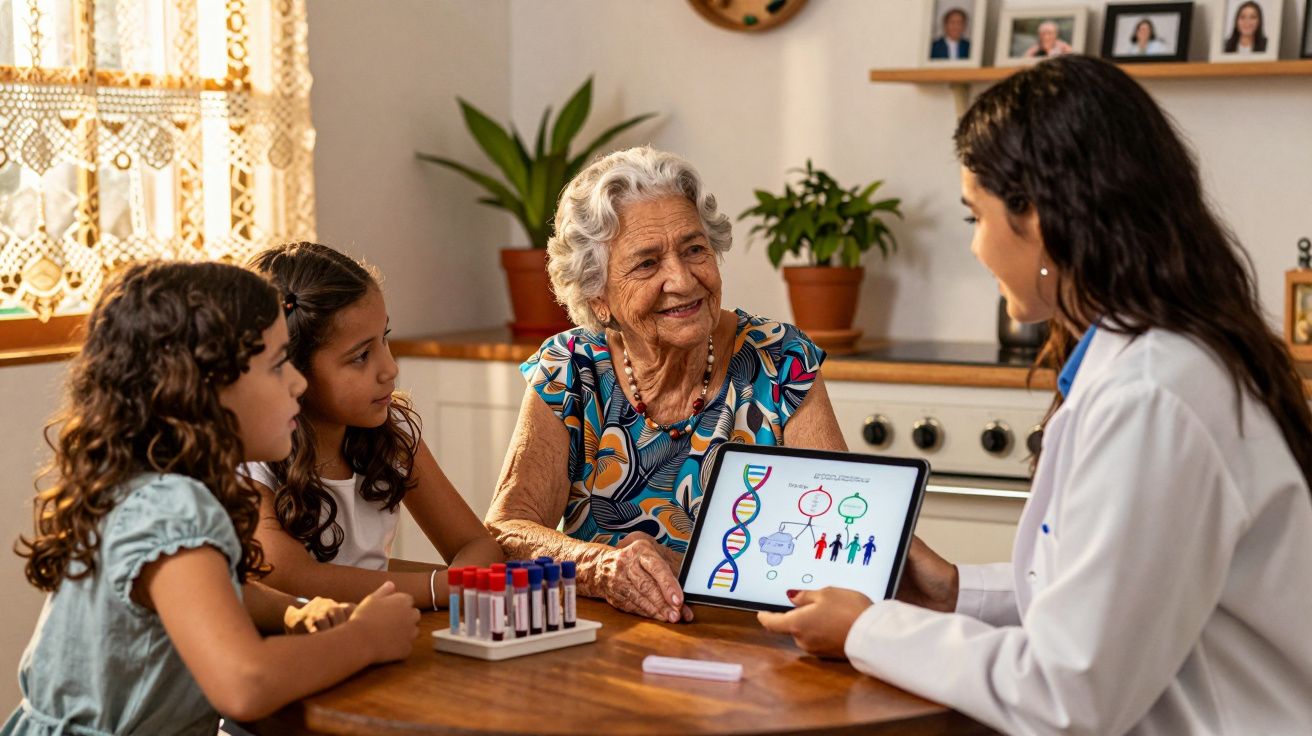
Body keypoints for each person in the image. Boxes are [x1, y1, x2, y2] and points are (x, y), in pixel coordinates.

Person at [759, 55, 1312, 734]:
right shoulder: (1151, 362)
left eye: (976, 215)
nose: (976, 247)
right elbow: (1101, 602)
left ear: (1041, 215)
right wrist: (954, 591)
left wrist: (868, 629)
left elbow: (1069, 695)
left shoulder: (1153, 395)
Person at [3, 262, 418, 733]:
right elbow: (244, 684)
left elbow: (216, 591)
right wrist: (366, 638)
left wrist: (293, 610)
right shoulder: (170, 507)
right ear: (203, 389)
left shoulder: (151, 489)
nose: (298, 383)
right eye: (278, 365)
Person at [485, 146, 846, 624]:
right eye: (647, 263)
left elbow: (834, 542)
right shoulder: (571, 368)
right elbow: (506, 530)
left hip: (750, 637)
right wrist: (600, 568)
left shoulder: (781, 360)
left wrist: (690, 572)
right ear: (598, 297)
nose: (681, 279)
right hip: (604, 640)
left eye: (694, 250)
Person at [244, 242, 503, 607]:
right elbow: (290, 576)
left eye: (385, 338)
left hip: (382, 628)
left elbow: (475, 543)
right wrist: (439, 589)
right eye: (361, 356)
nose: (390, 368)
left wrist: (454, 584)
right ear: (291, 370)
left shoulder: (392, 432)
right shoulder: (251, 455)